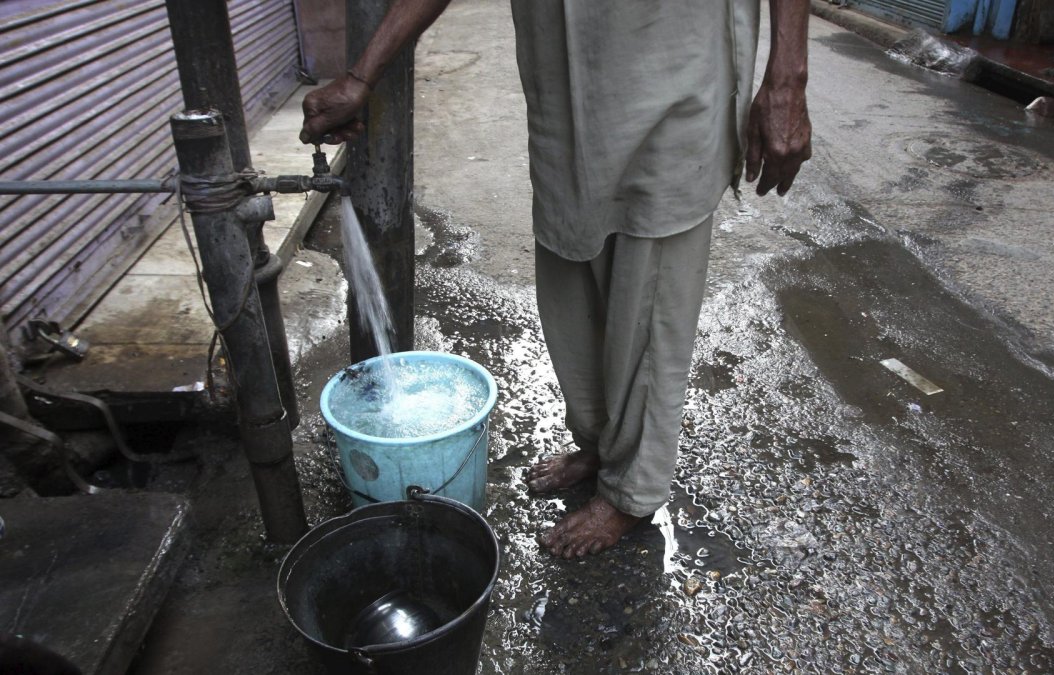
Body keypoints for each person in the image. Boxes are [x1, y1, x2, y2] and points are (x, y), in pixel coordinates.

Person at [301, 0, 812, 559]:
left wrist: (787, 78)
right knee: (572, 275)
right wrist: (360, 74)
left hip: (673, 61)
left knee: (651, 286)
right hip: (566, 87)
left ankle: (630, 491)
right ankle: (597, 445)